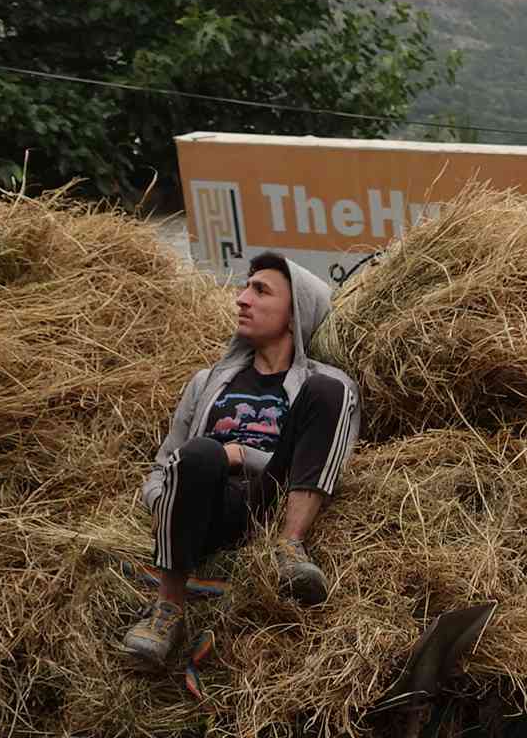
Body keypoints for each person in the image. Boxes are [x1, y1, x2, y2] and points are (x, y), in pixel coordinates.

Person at [123, 251, 362, 667]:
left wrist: (240, 455)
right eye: (246, 287)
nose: (242, 298)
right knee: (201, 453)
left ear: (295, 314)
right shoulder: (207, 381)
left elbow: (329, 461)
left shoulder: (325, 385)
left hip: (271, 499)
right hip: (204, 503)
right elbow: (165, 464)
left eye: (261, 291)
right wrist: (167, 505)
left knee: (329, 389)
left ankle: (289, 548)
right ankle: (167, 610)